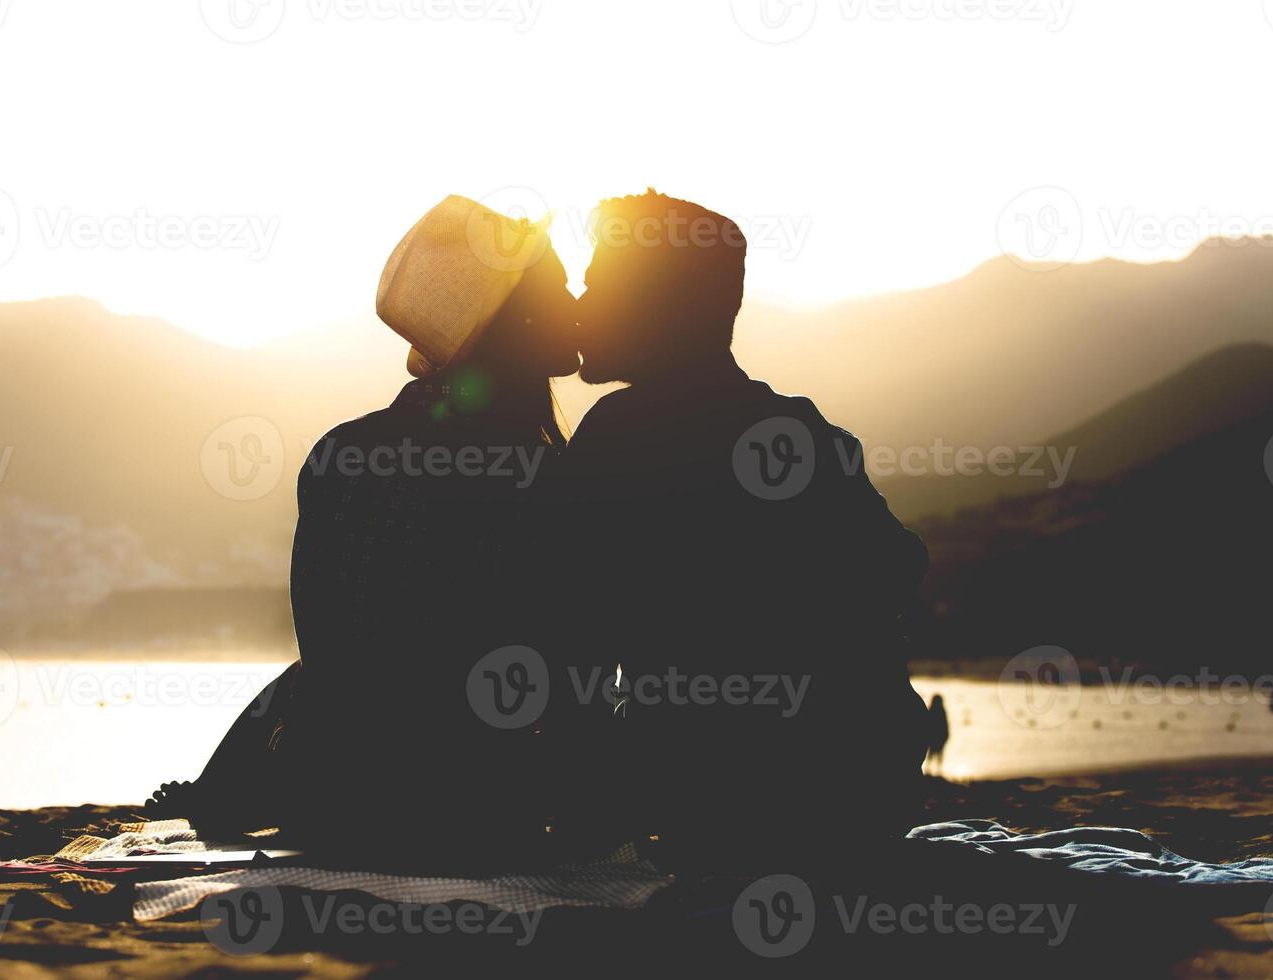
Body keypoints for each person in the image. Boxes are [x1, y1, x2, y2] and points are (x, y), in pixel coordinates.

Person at [149, 196, 579, 866]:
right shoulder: (541, 477)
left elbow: (330, 654)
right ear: (516, 318)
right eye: (556, 287)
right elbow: (555, 666)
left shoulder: (343, 451)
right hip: (476, 806)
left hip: (327, 795)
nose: (576, 299)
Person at [544, 190, 930, 869]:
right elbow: (898, 566)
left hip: (724, 804)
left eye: (597, 284)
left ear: (657, 310)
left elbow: (572, 645)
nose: (577, 303)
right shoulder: (799, 427)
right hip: (866, 793)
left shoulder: (618, 435)